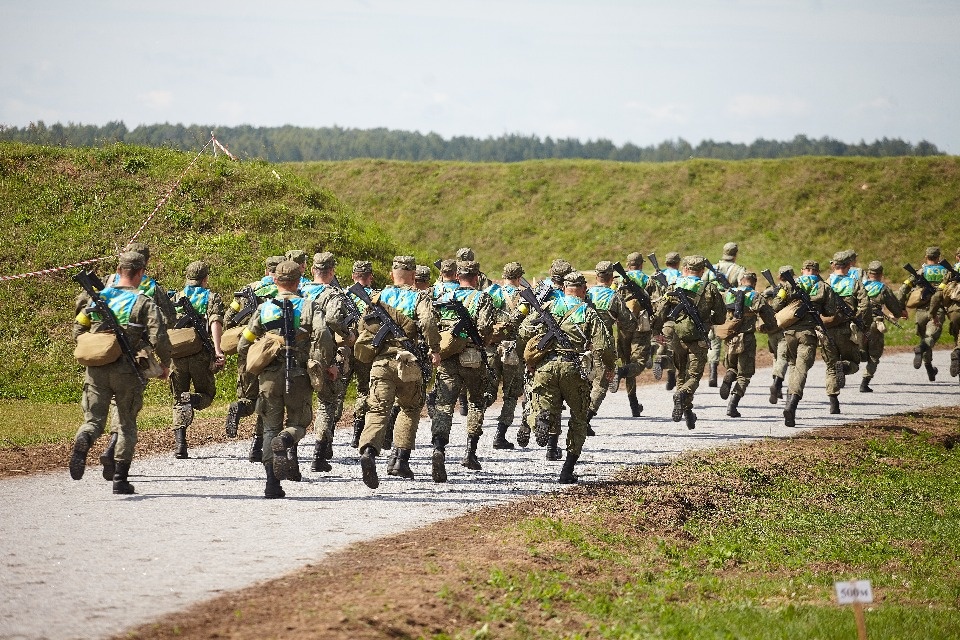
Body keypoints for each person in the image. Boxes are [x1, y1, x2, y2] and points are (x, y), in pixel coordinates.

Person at [69, 251, 171, 494]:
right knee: (126, 423)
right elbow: (160, 337)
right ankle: (120, 479)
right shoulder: (143, 302)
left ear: (118, 271)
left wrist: (93, 344)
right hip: (127, 370)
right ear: (140, 273)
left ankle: (84, 440)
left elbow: (77, 329)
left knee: (93, 421)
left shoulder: (97, 298)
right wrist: (165, 364)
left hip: (96, 369)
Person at [236, 260, 337, 498]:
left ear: (275, 281)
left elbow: (243, 343)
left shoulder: (264, 309)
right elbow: (323, 334)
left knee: (270, 426)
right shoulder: (310, 306)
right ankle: (286, 438)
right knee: (299, 422)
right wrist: (322, 363)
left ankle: (272, 484)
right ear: (298, 281)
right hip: (299, 374)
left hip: (269, 376)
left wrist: (252, 365)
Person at [517, 270, 615, 483]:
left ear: (563, 288)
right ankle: (567, 470)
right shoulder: (587, 312)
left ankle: (541, 421)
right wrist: (609, 366)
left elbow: (524, 331)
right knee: (579, 418)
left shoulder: (548, 306)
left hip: (545, 367)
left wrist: (537, 348)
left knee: (540, 407)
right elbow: (603, 345)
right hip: (573, 368)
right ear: (584, 289)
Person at [355, 256, 441, 488]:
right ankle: (399, 460)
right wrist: (435, 350)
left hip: (381, 363)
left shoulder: (377, 297)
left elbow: (363, 328)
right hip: (408, 363)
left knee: (378, 408)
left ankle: (369, 452)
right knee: (410, 408)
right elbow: (429, 323)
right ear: (413, 276)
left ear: (392, 275)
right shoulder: (419, 296)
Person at [97, 242, 176, 479]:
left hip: (104, 347)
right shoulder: (150, 287)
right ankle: (114, 448)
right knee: (127, 405)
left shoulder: (108, 281)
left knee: (113, 401)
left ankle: (112, 444)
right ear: (145, 264)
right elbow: (169, 319)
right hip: (135, 353)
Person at [430, 260, 499, 478]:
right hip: (473, 358)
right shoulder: (483, 298)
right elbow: (486, 327)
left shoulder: (444, 298)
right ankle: (470, 453)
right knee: (476, 402)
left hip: (447, 357)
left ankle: (439, 448)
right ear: (477, 277)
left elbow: (434, 326)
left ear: (457, 277)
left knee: (444, 404)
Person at [651, 255, 726, 430]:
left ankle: (688, 412)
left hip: (676, 337)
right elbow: (721, 317)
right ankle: (681, 395)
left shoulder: (674, 285)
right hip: (697, 338)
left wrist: (656, 331)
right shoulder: (710, 288)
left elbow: (661, 310)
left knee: (681, 373)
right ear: (702, 271)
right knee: (693, 377)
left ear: (684, 268)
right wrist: (707, 320)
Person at [223, 255, 284, 463]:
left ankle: (238, 408)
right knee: (267, 399)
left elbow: (228, 318)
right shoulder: (283, 291)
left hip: (248, 349)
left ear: (266, 269)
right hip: (271, 351)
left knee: (248, 397)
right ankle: (257, 448)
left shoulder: (246, 290)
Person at [301, 252, 358, 472]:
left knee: (298, 401)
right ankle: (319, 453)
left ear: (313, 270)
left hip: (297, 353)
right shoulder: (332, 294)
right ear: (332, 271)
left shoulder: (300, 290)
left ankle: (290, 451)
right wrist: (348, 334)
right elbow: (334, 319)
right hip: (322, 355)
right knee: (326, 401)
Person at [168, 261, 226, 458]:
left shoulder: (175, 296)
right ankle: (192, 399)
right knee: (207, 394)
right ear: (205, 279)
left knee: (177, 399)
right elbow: (215, 322)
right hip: (200, 354)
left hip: (177, 355)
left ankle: (180, 445)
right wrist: (218, 350)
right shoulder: (210, 297)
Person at [771, 261, 838, 427]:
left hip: (789, 334)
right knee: (801, 370)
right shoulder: (824, 286)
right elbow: (830, 311)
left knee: (794, 366)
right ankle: (792, 406)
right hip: (807, 334)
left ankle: (788, 404)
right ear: (817, 271)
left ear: (802, 271)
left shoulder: (788, 284)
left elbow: (776, 305)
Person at [717, 272, 777, 417]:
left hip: (730, 338)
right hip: (747, 339)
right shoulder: (755, 296)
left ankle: (728, 377)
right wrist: (771, 327)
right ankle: (732, 405)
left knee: (731, 366)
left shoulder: (728, 293)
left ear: (741, 281)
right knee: (745, 374)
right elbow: (768, 316)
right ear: (754, 283)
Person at [586, 261, 635, 427]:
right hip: (603, 345)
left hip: (582, 343)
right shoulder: (613, 297)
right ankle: (585, 420)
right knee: (601, 383)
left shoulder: (585, 293)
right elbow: (628, 323)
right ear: (611, 277)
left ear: (597, 276)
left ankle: (580, 418)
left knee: (583, 382)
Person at [820, 251, 870, 414]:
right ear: (849, 266)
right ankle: (845, 366)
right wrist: (860, 321)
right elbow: (865, 305)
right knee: (854, 362)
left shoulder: (825, 283)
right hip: (848, 330)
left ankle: (834, 403)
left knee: (830, 366)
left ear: (834, 265)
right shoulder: (855, 283)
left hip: (827, 330)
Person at [610, 252, 655, 417]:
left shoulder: (618, 280)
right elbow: (656, 303)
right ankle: (619, 373)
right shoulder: (647, 280)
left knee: (627, 361)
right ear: (641, 264)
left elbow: (611, 297)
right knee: (638, 363)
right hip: (641, 327)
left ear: (628, 265)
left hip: (623, 326)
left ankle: (634, 405)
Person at [489, 261, 527, 449]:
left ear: (504, 276)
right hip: (513, 350)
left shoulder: (491, 292)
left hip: (493, 348)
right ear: (519, 278)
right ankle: (500, 435)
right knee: (511, 395)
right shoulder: (525, 297)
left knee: (487, 389)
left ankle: (474, 429)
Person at [898, 246, 948, 381]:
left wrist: (901, 308)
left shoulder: (920, 272)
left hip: (920, 311)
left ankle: (930, 369)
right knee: (930, 337)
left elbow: (903, 289)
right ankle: (920, 349)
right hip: (937, 310)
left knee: (925, 338)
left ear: (926, 257)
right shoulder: (946, 272)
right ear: (938, 257)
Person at [345, 260, 379, 449]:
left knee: (338, 392)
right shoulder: (376, 297)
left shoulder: (342, 295)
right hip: (366, 349)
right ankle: (357, 433)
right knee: (363, 390)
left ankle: (327, 436)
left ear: (353, 276)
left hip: (345, 348)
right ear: (370, 277)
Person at [859, 261, 905, 392]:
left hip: (858, 322)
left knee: (856, 350)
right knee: (874, 354)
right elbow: (895, 308)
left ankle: (845, 367)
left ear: (868, 273)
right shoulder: (883, 288)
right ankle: (864, 383)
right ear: (881, 274)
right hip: (875, 323)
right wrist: (898, 313)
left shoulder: (859, 285)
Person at [705, 242, 746, 387]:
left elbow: (703, 284)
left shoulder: (712, 268)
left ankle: (712, 372)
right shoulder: (739, 270)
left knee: (713, 337)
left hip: (712, 305)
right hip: (729, 306)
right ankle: (730, 369)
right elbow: (742, 287)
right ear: (735, 254)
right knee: (730, 337)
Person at [651, 251, 682, 391]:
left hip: (658, 312)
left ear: (666, 262)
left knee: (661, 340)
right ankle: (670, 374)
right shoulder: (681, 276)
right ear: (678, 262)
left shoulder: (655, 275)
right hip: (674, 314)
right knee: (674, 348)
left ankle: (661, 361)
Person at [765, 266, 793, 404]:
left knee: (776, 358)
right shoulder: (789, 289)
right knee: (783, 358)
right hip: (784, 330)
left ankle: (778, 387)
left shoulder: (768, 290)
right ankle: (777, 384)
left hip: (771, 330)